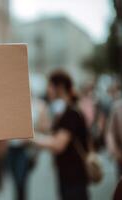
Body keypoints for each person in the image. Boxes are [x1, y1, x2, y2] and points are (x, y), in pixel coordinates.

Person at [33, 70, 89, 200]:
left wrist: (30, 139)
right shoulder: (65, 110)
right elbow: (49, 131)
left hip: (74, 175)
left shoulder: (71, 113)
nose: (47, 90)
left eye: (49, 86)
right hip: (68, 174)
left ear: (60, 87)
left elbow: (58, 145)